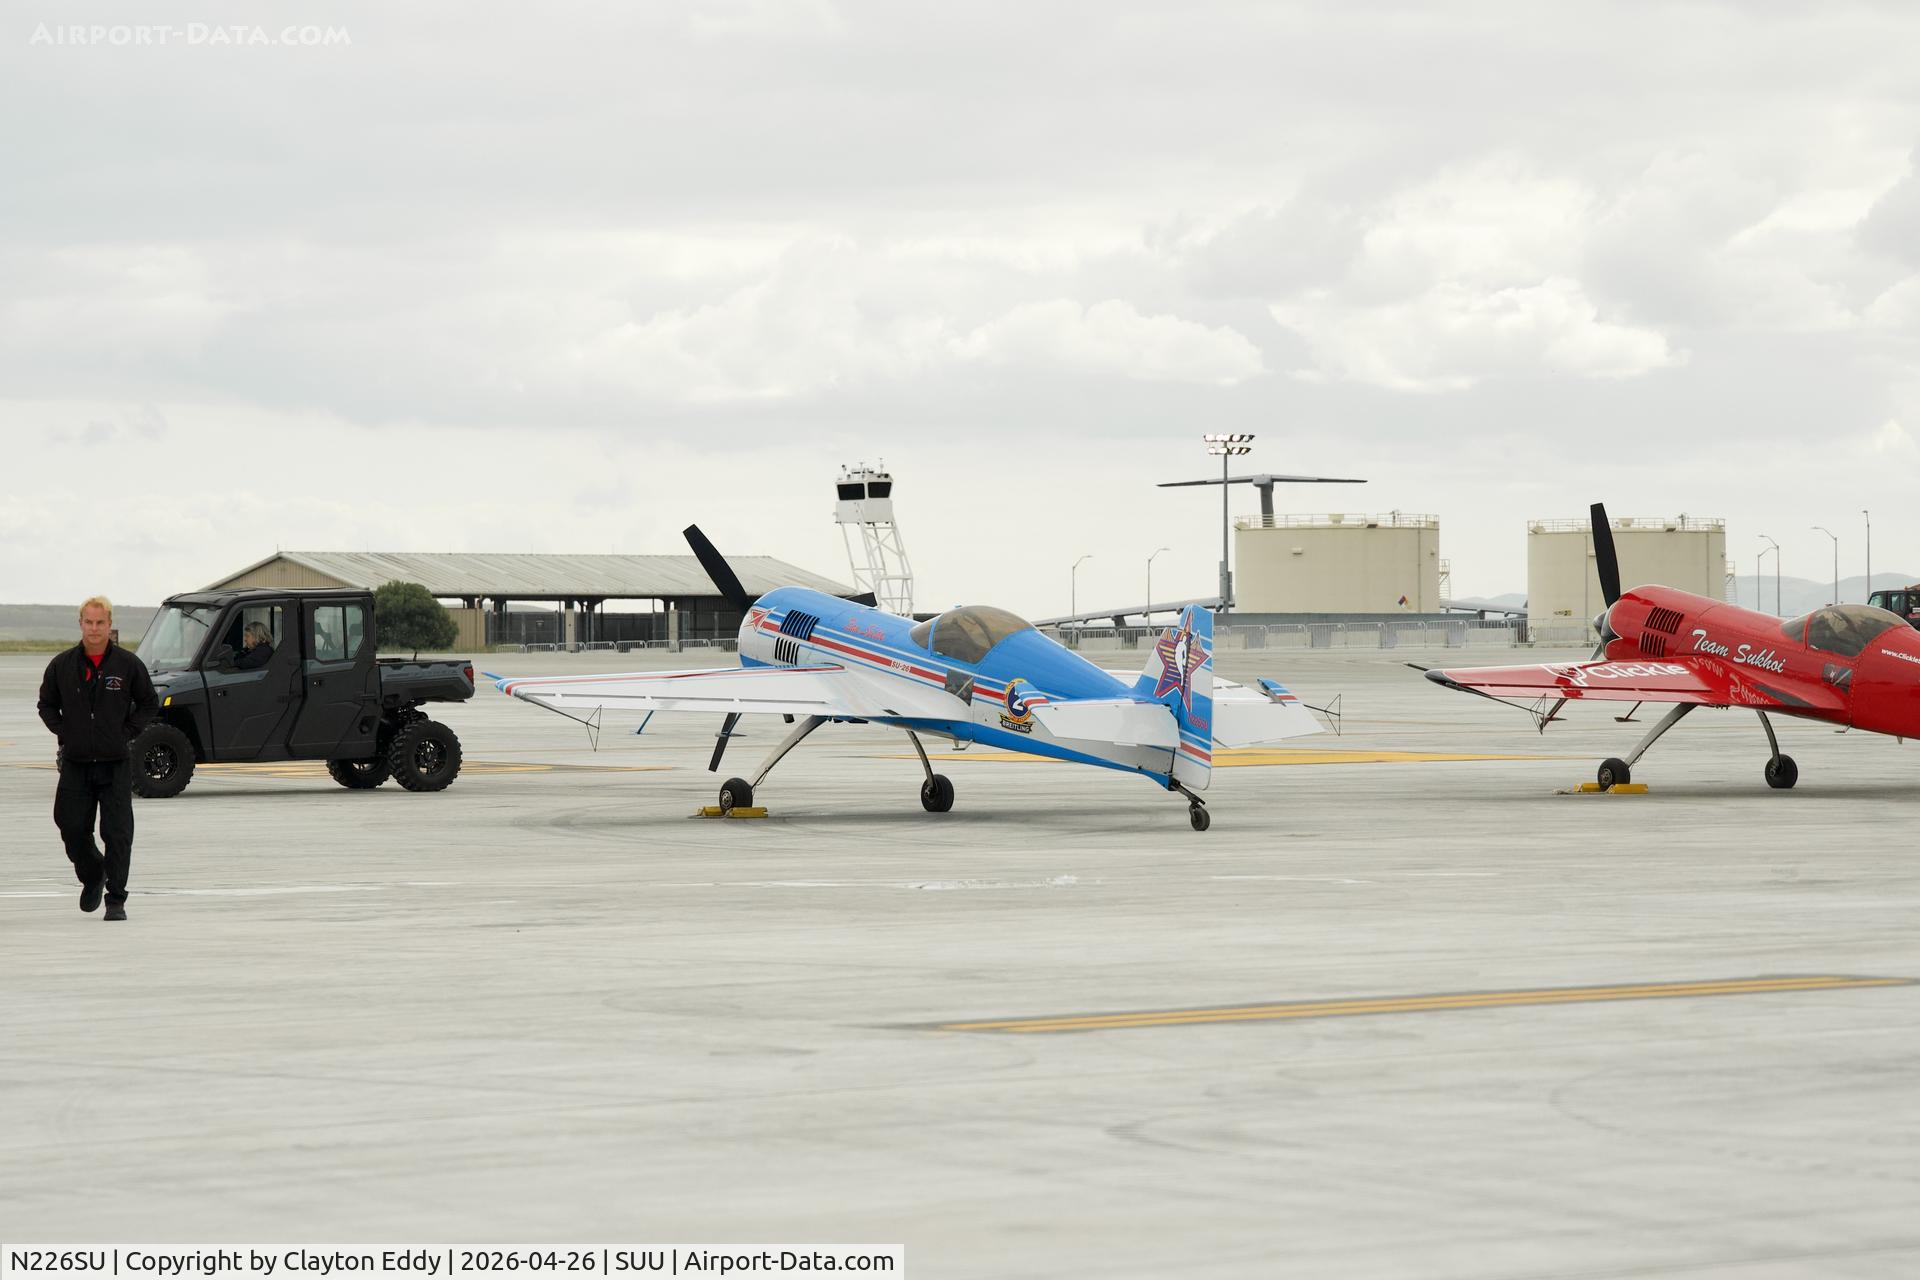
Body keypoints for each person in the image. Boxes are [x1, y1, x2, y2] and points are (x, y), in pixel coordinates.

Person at [36, 596, 157, 921]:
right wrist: (65, 731)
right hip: (76, 762)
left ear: (109, 624)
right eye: (88, 622)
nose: (94, 628)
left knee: (117, 833)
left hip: (115, 762)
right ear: (80, 624)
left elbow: (149, 703)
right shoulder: (62, 665)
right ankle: (93, 874)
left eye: (100, 622)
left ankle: (115, 899)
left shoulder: (128, 665)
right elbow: (45, 703)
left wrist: (126, 731)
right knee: (70, 825)